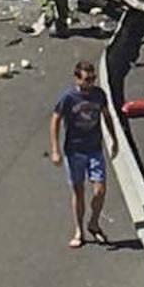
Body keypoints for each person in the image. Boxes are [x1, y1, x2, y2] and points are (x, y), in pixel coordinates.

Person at [50, 60, 118, 249]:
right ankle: (79, 230)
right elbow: (55, 120)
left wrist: (114, 139)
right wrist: (55, 150)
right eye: (87, 79)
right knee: (78, 192)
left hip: (94, 148)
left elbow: (106, 115)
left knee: (100, 190)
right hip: (74, 151)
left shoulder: (99, 95)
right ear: (77, 79)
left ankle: (94, 223)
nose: (91, 83)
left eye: (93, 78)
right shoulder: (68, 98)